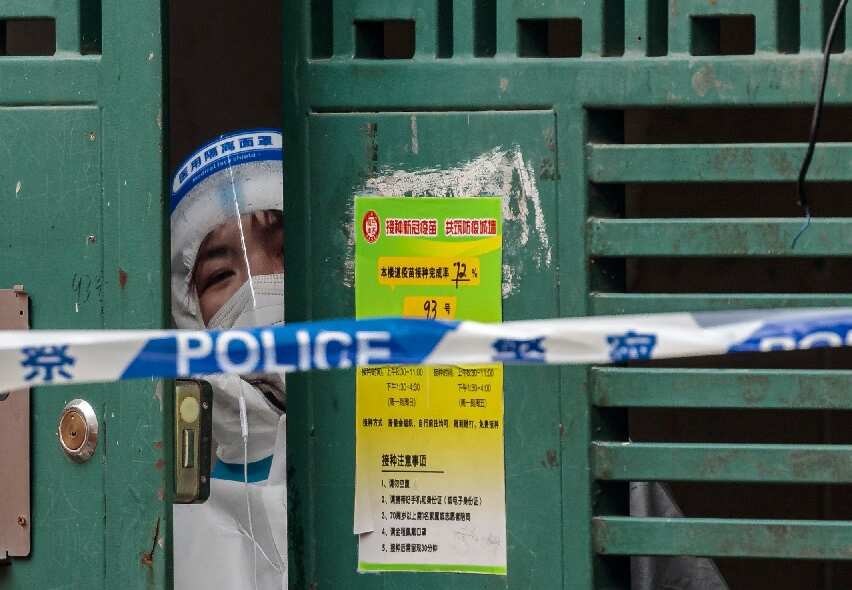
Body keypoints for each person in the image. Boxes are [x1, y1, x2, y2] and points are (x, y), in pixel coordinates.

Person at [170, 129, 287, 590]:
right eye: (220, 275)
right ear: (186, 313)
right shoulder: (163, 481)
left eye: (285, 252)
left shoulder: (388, 425)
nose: (259, 290)